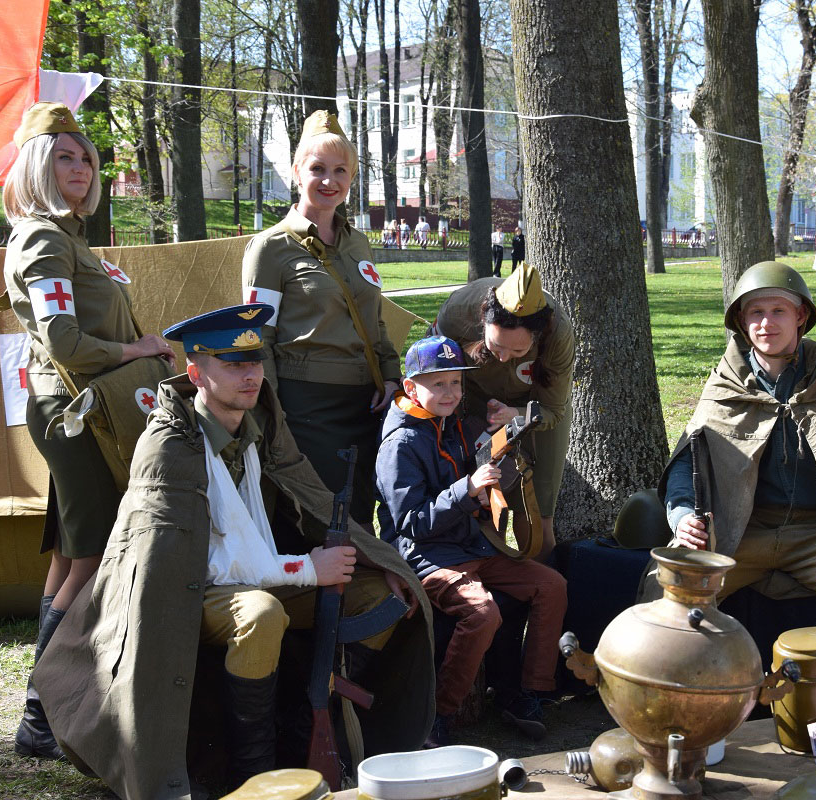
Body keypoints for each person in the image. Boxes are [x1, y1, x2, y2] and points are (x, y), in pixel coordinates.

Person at [33, 304, 435, 799]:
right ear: (197, 373)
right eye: (233, 364)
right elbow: (185, 563)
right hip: (188, 590)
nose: (251, 376)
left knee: (382, 595)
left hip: (259, 575)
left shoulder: (262, 421)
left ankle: (306, 723)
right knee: (261, 614)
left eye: (255, 362)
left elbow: (304, 492)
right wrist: (306, 569)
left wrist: (378, 561)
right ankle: (253, 768)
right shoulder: (169, 444)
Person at [1, 102, 176, 760]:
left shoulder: (68, 239)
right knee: (93, 552)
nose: (81, 168)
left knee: (73, 553)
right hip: (74, 413)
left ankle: (39, 713)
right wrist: (137, 352)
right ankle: (46, 713)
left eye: (87, 158)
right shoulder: (45, 239)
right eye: (64, 157)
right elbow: (65, 341)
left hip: (84, 409)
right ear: (38, 167)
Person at [650, 262, 816, 621]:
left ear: (800, 315)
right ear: (742, 322)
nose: (766, 323)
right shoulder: (727, 382)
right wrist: (681, 516)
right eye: (756, 312)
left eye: (778, 311)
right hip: (742, 530)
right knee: (672, 585)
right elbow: (689, 456)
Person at [375, 336, 567, 746]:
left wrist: (503, 451)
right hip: (428, 558)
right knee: (484, 614)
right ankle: (437, 713)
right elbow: (410, 521)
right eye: (438, 384)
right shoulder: (400, 445)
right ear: (411, 389)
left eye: (456, 383)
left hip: (473, 547)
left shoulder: (458, 425)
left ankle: (527, 691)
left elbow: (488, 477)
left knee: (551, 585)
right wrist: (467, 490)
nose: (450, 393)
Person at [241, 111, 401, 525]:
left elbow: (374, 319)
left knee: (362, 512)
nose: (329, 181)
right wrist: (274, 414)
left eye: (340, 171)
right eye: (317, 169)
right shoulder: (270, 248)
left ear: (351, 179)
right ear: (297, 172)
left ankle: (358, 592)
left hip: (366, 402)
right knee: (319, 520)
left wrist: (390, 376)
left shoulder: (359, 244)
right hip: (307, 406)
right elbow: (259, 337)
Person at [432, 265, 574, 560]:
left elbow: (553, 410)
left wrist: (518, 414)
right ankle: (494, 579)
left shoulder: (559, 333)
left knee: (537, 516)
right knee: (484, 505)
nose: (503, 357)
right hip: (476, 401)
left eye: (518, 352)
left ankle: (542, 582)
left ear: (537, 337)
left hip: (537, 407)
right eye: (495, 346)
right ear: (482, 320)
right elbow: (430, 371)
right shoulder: (457, 311)